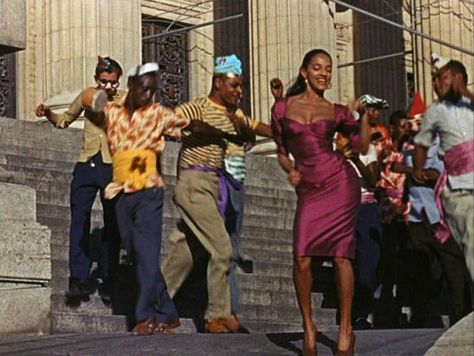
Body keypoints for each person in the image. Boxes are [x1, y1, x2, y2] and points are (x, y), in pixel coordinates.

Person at [82, 62, 243, 336]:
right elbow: (87, 98)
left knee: (145, 253)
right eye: (143, 89)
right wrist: (97, 96)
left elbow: (190, 125)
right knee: (135, 253)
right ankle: (167, 311)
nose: (147, 95)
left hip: (149, 192)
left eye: (151, 91)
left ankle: (144, 317)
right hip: (121, 192)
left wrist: (222, 133)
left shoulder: (158, 114)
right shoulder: (113, 112)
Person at [271, 49, 370, 355]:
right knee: (301, 256)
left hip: (339, 182)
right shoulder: (282, 108)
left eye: (328, 69)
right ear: (304, 72)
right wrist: (291, 171)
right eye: (317, 68)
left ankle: (345, 330)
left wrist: (362, 116)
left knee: (342, 256)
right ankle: (309, 327)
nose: (324, 74)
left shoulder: (337, 111)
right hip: (309, 188)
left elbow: (362, 145)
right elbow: (281, 151)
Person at [161, 54, 254, 333]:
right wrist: (215, 134)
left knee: (185, 253)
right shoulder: (196, 107)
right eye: (234, 85)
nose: (239, 91)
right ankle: (215, 315)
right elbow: (172, 125)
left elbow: (247, 139)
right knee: (222, 249)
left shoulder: (231, 116)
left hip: (215, 184)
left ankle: (155, 306)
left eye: (241, 86)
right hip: (193, 181)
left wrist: (239, 129)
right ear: (218, 82)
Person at [35, 56, 124, 304]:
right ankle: (78, 278)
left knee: (112, 224)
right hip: (87, 163)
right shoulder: (86, 95)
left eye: (113, 83)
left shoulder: (125, 99)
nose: (109, 87)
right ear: (97, 80)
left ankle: (109, 279)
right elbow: (65, 121)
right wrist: (49, 112)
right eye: (104, 82)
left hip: (112, 167)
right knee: (79, 220)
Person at [392, 92, 472, 326]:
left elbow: (437, 175)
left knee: (452, 268)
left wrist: (413, 172)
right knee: (420, 268)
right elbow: (404, 175)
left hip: (441, 218)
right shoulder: (408, 150)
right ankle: (420, 314)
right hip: (417, 219)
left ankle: (461, 315)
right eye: (412, 122)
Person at [413, 58, 474, 282]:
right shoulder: (436, 113)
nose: (435, 83)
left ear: (457, 79)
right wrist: (418, 168)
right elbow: (422, 142)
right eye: (434, 79)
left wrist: (465, 92)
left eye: (441, 78)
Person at [335, 132, 382, 330]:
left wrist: (355, 159)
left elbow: (373, 180)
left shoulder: (367, 150)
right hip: (342, 210)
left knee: (368, 264)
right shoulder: (332, 151)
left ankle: (361, 312)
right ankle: (347, 313)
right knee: (345, 262)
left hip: (365, 210)